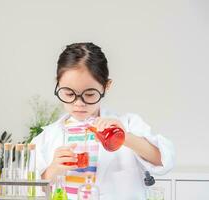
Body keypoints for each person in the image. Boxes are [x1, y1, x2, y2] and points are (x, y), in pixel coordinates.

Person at [32, 42, 175, 200]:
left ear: (106, 86)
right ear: (57, 84)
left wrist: (124, 137)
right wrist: (52, 170)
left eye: (90, 94)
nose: (79, 103)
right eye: (68, 93)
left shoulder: (127, 124)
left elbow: (163, 161)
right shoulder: (47, 137)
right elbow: (29, 190)